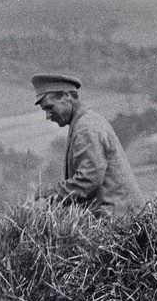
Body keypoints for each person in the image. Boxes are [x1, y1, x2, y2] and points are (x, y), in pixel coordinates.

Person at [31, 71, 142, 215]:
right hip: (118, 216)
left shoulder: (86, 129)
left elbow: (87, 182)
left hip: (118, 219)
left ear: (67, 96)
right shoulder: (82, 123)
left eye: (50, 107)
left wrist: (49, 193)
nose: (47, 116)